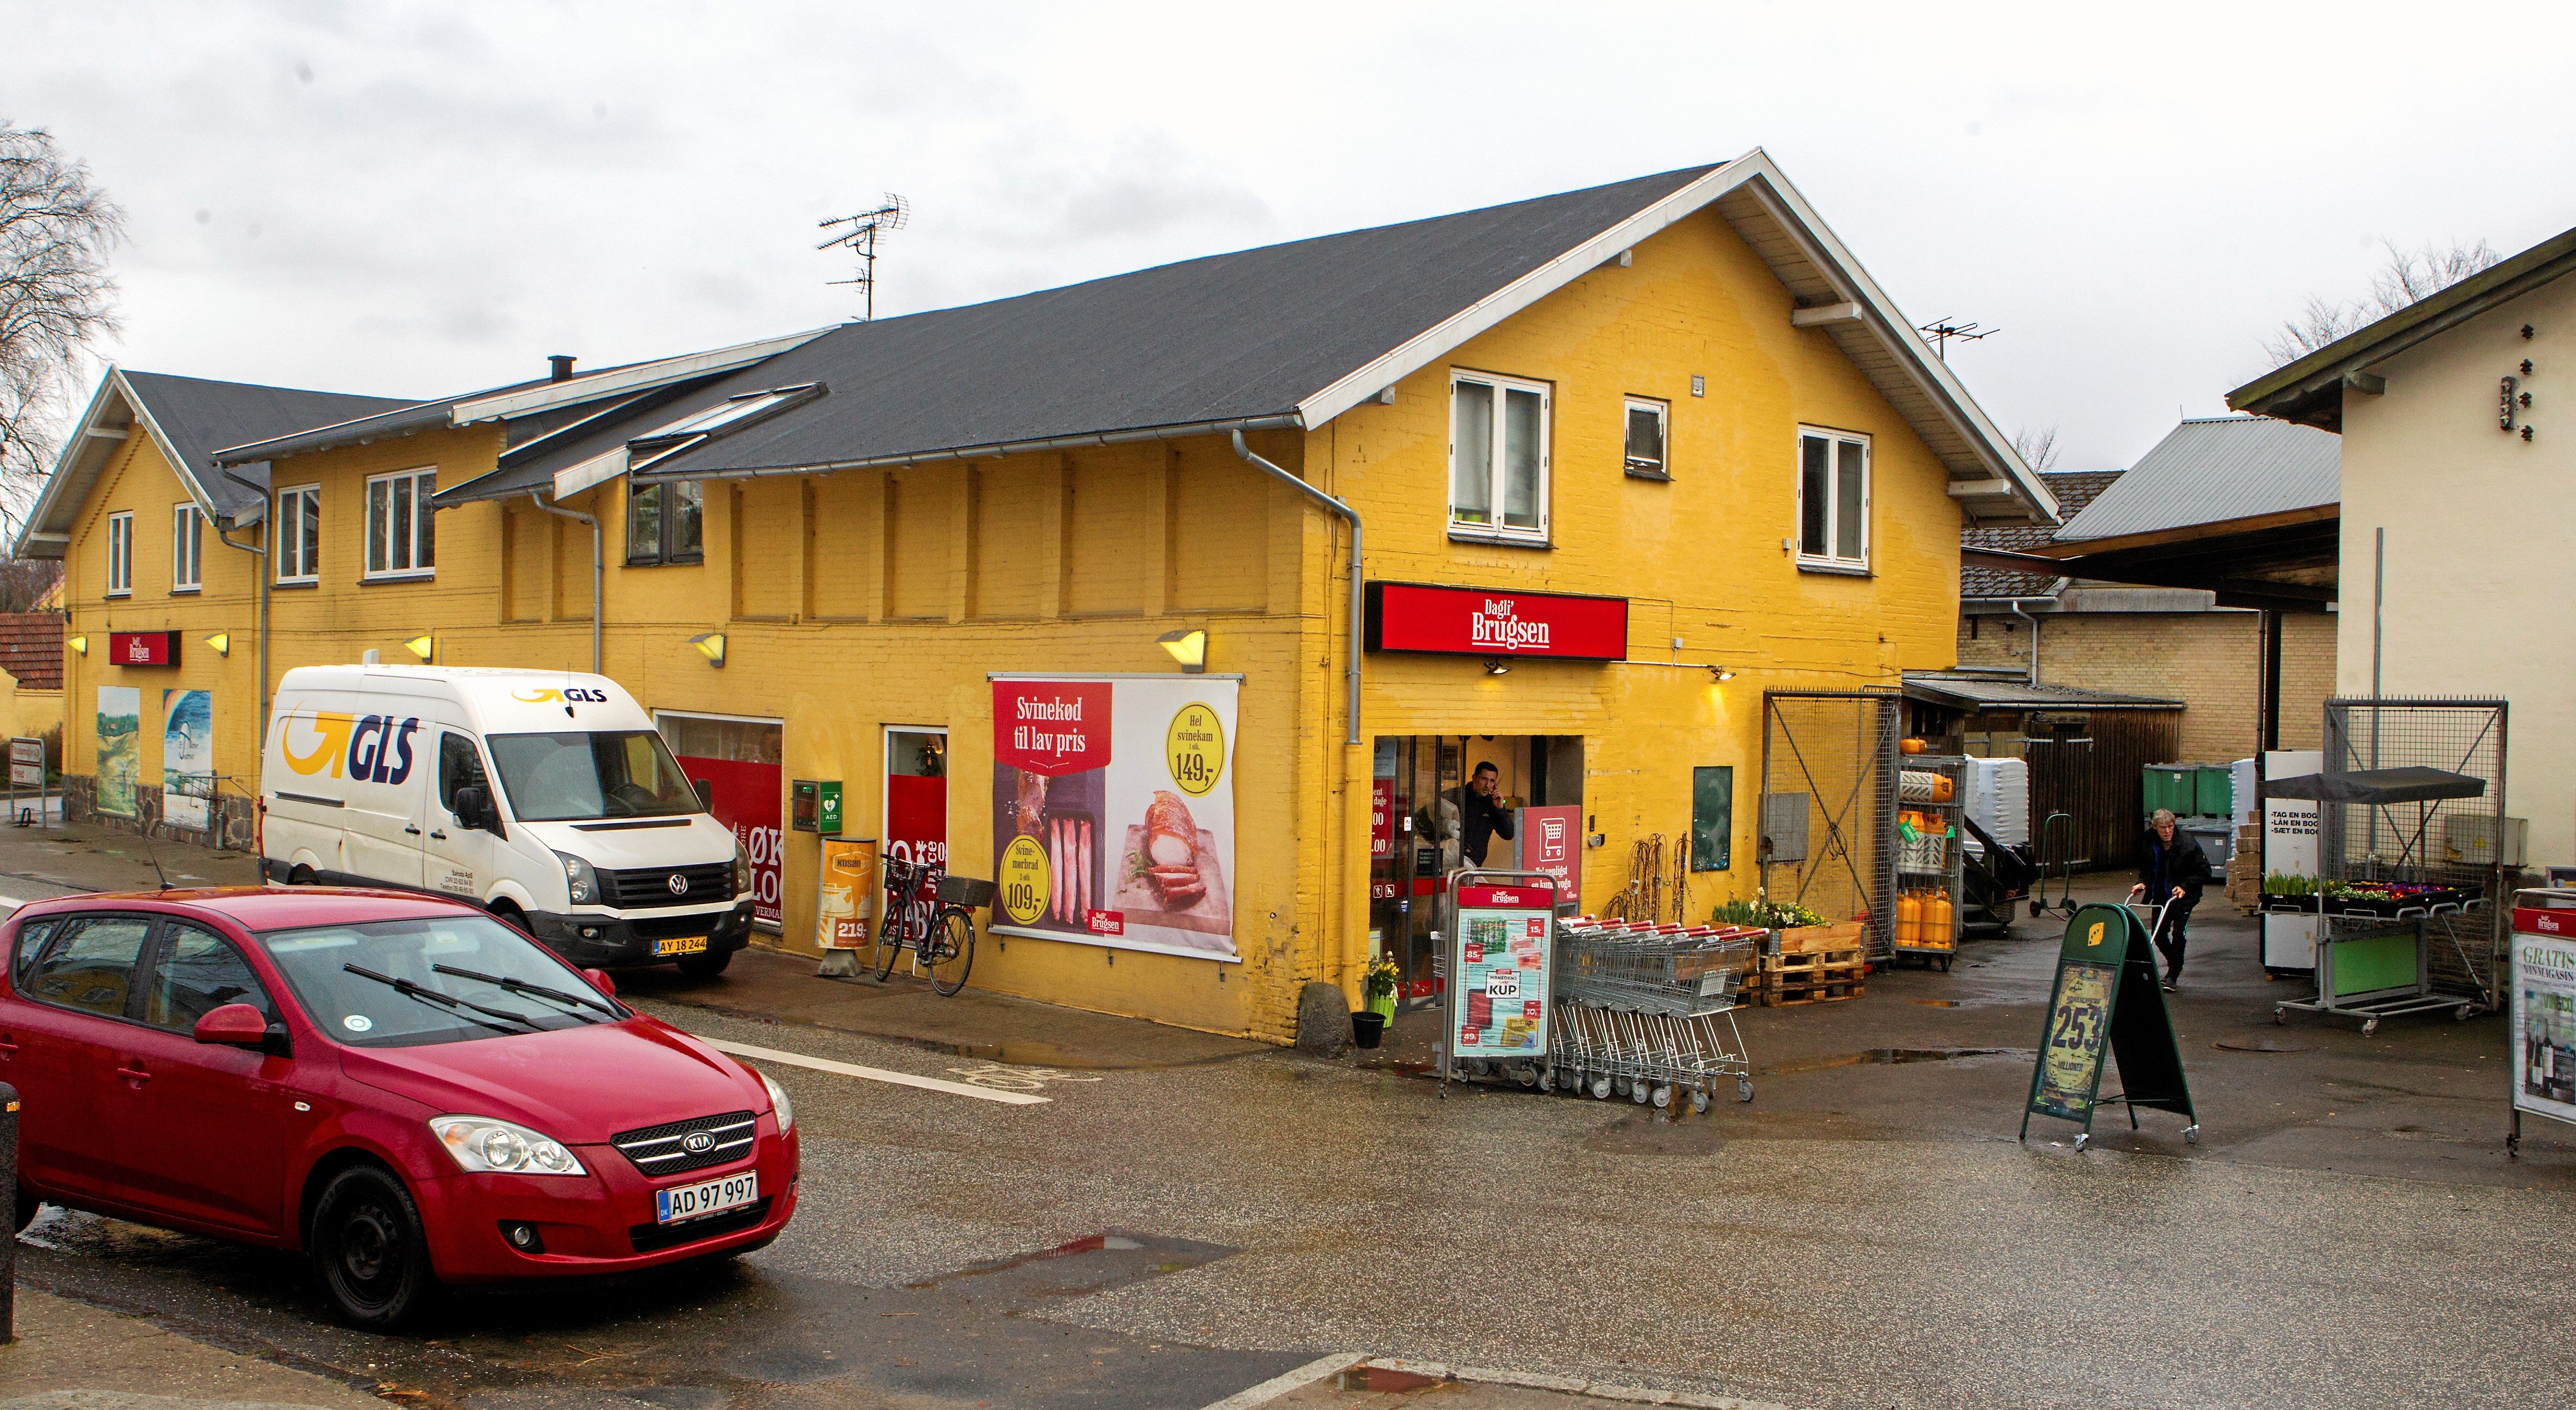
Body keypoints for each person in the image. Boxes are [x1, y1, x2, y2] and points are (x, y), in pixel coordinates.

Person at [2129, 808, 2210, 991]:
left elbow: (2204, 871)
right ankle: (2174, 963)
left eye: (2170, 827)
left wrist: (2185, 886)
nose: (2167, 832)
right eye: (2163, 828)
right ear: (2155, 828)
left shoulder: (2187, 843)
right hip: (2161, 895)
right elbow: (2148, 866)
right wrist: (2142, 882)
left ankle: (2173, 975)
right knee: (2158, 935)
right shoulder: (2150, 841)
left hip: (2183, 897)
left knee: (2178, 935)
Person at [1443, 761, 1516, 868]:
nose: (1487, 785)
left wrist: (1500, 809)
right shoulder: (1456, 796)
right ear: (1474, 778)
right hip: (1447, 861)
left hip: (1473, 865)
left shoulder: (1492, 803)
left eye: (1492, 781)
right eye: (1484, 779)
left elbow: (1508, 834)